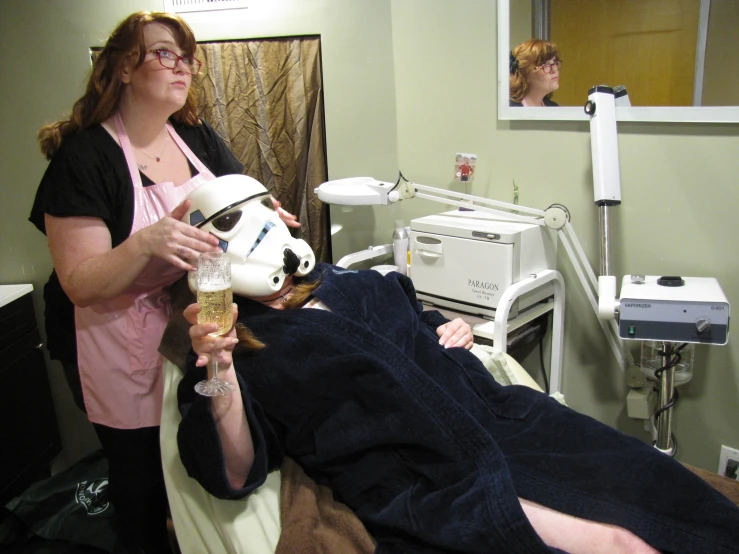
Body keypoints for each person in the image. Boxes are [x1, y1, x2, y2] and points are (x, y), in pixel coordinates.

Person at [176, 176, 739, 554]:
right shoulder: (236, 341)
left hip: (502, 416)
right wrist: (219, 369)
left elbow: (415, 315)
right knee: (621, 544)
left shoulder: (338, 277)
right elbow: (233, 472)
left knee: (661, 487)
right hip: (426, 476)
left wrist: (449, 323)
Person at [28, 11, 299, 554]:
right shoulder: (85, 158)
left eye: (187, 58)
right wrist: (146, 242)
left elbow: (239, 203)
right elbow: (80, 282)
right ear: (124, 67)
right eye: (164, 54)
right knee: (145, 491)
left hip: (203, 331)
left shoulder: (196, 136)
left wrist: (267, 219)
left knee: (206, 469)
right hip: (127, 346)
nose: (183, 68)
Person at [509, 39, 561, 107]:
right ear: (525, 73)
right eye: (546, 65)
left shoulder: (553, 107)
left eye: (554, 62)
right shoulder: (510, 108)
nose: (554, 70)